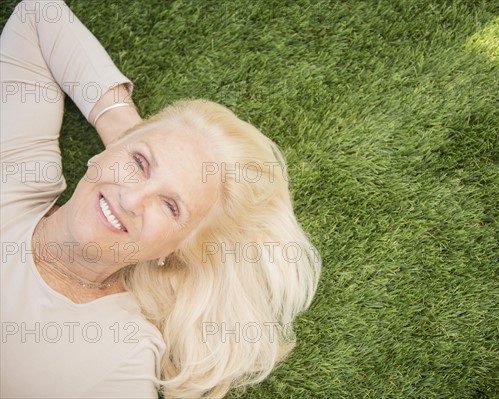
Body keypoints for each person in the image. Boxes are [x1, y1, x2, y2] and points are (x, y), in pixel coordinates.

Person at [0, 1, 320, 398]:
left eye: (171, 206)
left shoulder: (119, 357)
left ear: (175, 248)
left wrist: (142, 151)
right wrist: (124, 128)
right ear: (107, 151)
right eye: (138, 163)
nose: (133, 199)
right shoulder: (16, 174)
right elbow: (37, 16)